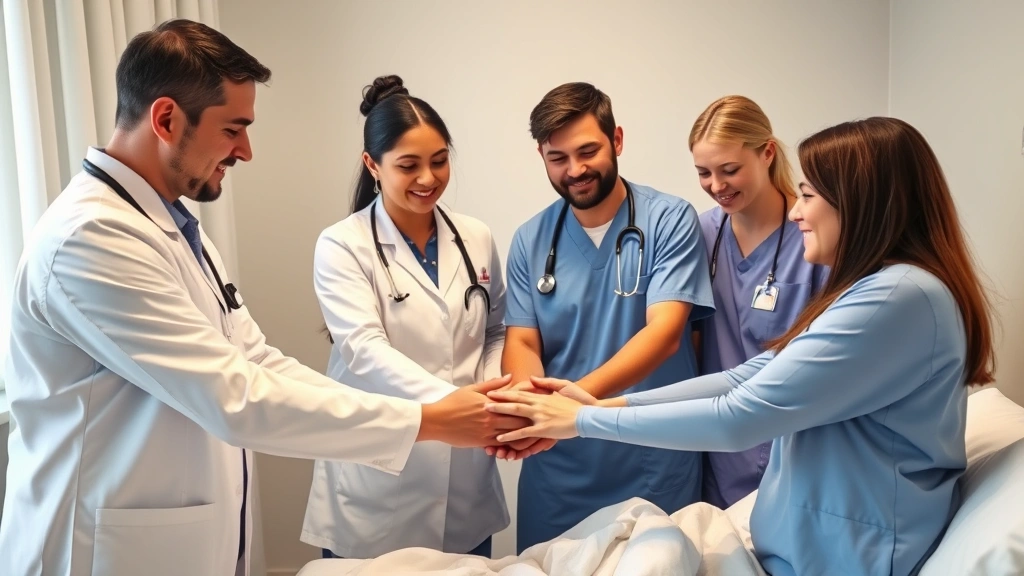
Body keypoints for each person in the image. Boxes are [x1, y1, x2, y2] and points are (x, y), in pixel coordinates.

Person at [0, 21, 523, 576]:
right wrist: (429, 419)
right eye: (233, 129)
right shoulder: (92, 237)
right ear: (166, 119)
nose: (246, 151)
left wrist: (436, 414)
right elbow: (236, 397)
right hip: (98, 550)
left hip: (176, 538)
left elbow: (259, 360)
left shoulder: (172, 228)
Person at [486, 117, 996, 576]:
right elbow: (746, 374)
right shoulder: (878, 288)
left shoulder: (898, 296)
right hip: (808, 542)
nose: (797, 211)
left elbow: (738, 415)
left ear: (865, 204)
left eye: (809, 195)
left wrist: (580, 419)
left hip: (848, 550)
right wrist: (598, 404)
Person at [497, 82, 715, 551]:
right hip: (558, 466)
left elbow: (665, 333)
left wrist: (574, 405)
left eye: (587, 151)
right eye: (558, 158)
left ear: (616, 140)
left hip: (650, 457)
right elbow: (522, 342)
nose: (574, 170)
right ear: (542, 156)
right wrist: (528, 405)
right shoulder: (531, 239)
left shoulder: (669, 220)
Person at [301, 75, 508, 559]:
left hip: (465, 484)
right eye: (408, 166)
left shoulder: (474, 235)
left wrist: (493, 388)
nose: (428, 179)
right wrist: (455, 404)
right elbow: (363, 349)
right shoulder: (341, 244)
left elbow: (496, 328)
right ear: (372, 165)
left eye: (439, 161)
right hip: (378, 478)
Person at [688, 95, 829, 508]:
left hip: (791, 441)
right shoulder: (701, 233)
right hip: (714, 441)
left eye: (730, 170)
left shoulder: (814, 237)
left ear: (767, 152)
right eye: (703, 173)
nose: (717, 186)